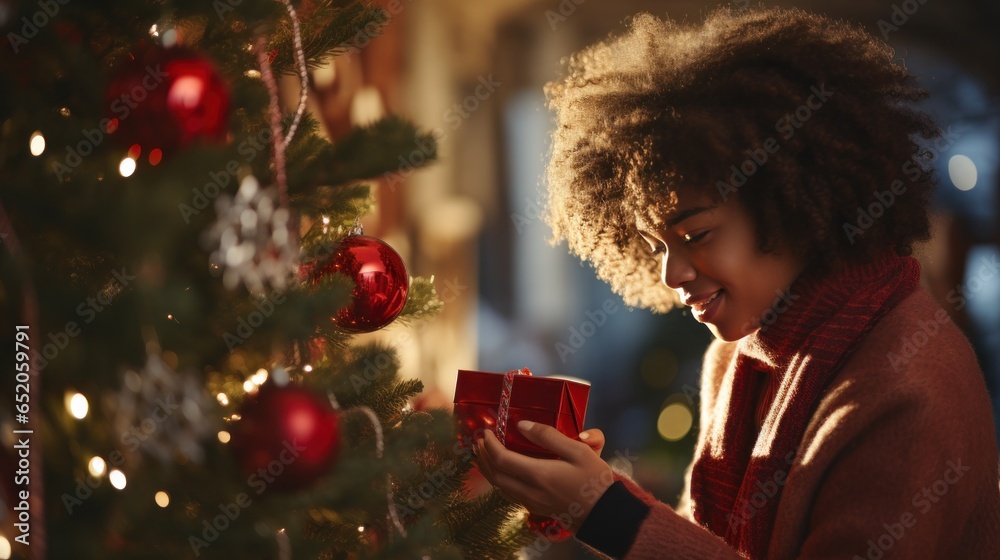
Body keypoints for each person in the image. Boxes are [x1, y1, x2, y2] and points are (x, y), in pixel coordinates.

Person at [473, 5, 1000, 559]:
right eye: (656, 246)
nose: (671, 275)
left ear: (793, 205)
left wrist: (606, 511)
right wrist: (583, 498)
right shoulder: (742, 354)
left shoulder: (907, 387)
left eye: (696, 234)